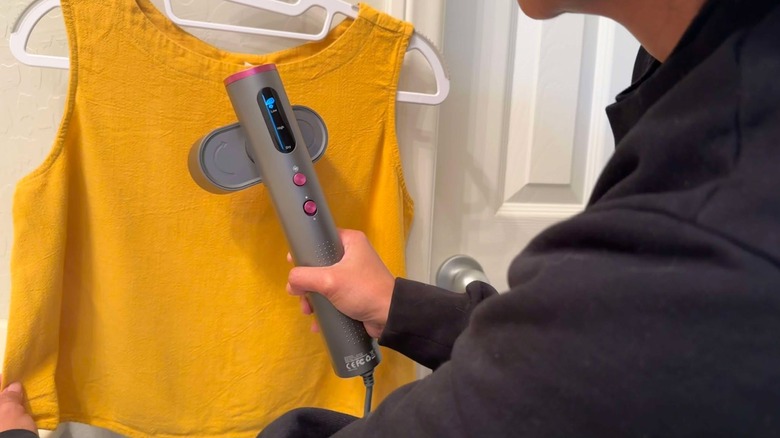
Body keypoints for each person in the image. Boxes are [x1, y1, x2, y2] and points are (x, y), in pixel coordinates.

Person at [3, 0, 780, 436]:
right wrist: (404, 308)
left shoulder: (712, 225)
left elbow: (585, 359)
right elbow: (588, 354)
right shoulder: (710, 84)